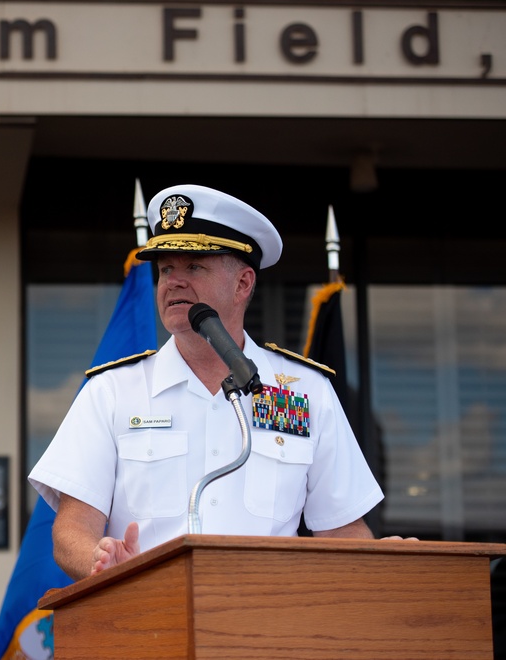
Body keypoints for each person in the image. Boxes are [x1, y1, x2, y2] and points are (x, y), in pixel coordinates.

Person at [28, 184, 389, 581]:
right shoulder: (113, 392)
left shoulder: (304, 392)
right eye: (166, 270)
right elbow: (71, 530)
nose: (173, 283)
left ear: (243, 284)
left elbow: (340, 528)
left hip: (267, 626)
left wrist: (379, 563)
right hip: (147, 618)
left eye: (194, 267)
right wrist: (100, 560)